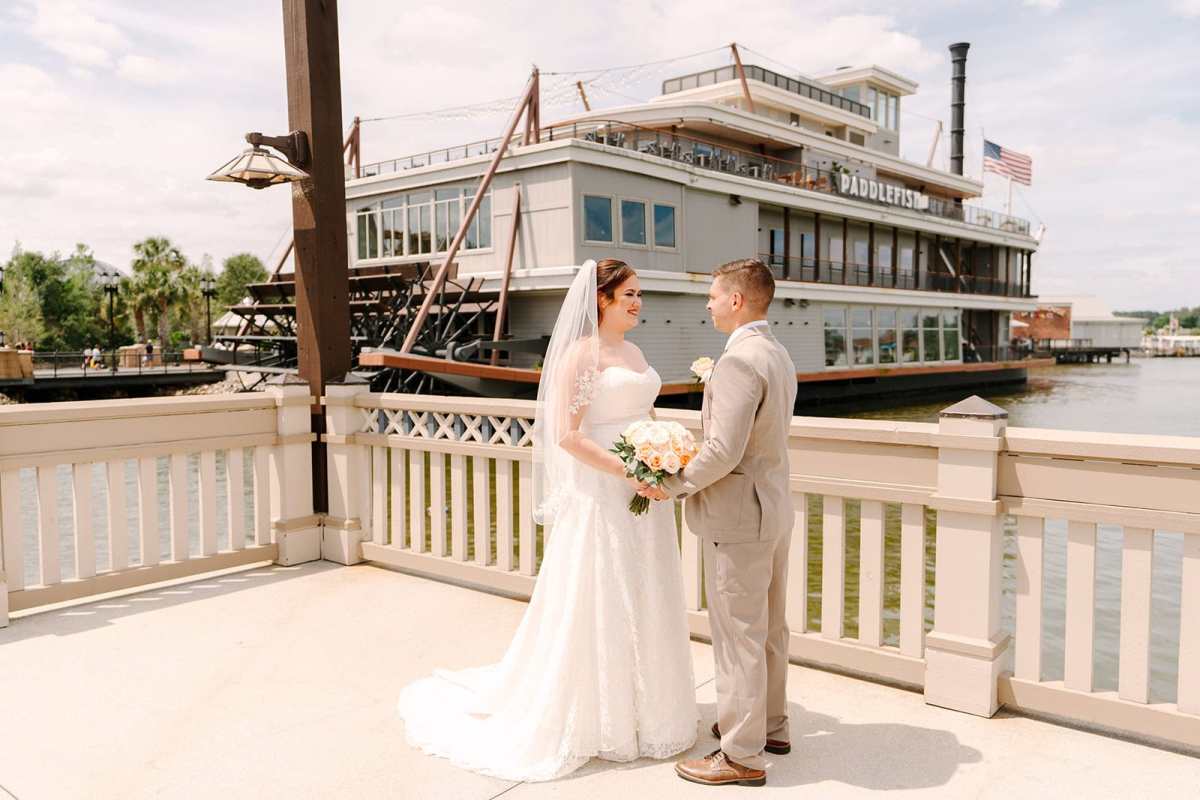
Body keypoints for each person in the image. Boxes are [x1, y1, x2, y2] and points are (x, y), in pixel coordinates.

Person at [397, 258, 698, 781]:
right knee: (601, 593)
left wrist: (664, 453)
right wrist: (630, 471)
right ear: (600, 298)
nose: (636, 303)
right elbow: (565, 435)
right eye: (628, 294)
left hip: (645, 490)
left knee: (645, 590)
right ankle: (601, 716)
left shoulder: (634, 351)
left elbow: (643, 415)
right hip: (604, 490)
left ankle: (647, 708)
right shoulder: (580, 357)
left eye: (639, 295)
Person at [642, 258, 798, 788]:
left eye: (712, 296)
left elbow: (724, 452)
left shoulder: (737, 362)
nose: (707, 304)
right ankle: (770, 725)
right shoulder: (776, 352)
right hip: (774, 508)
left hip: (739, 516)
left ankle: (741, 754)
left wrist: (667, 484)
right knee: (769, 627)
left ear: (736, 301)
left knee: (738, 638)